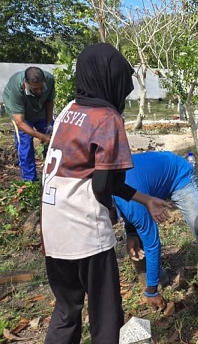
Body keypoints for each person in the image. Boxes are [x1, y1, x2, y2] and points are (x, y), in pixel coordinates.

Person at [41, 43, 170, 344]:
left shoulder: (68, 111)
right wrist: (110, 212)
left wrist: (145, 199)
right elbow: (102, 187)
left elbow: (98, 179)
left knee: (66, 309)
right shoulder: (106, 118)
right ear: (108, 78)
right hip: (85, 231)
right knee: (105, 314)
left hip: (54, 228)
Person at [113, 151, 198, 299]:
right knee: (136, 243)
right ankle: (159, 280)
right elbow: (128, 208)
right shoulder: (109, 189)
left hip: (179, 177)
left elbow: (153, 244)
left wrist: (151, 292)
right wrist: (131, 233)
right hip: (152, 183)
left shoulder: (130, 203)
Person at [3, 67, 55, 181]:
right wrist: (42, 136)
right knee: (25, 143)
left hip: (39, 111)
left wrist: (49, 123)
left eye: (41, 88)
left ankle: (52, 175)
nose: (39, 91)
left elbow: (49, 101)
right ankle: (29, 181)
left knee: (54, 138)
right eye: (35, 89)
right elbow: (20, 122)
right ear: (26, 83)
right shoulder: (16, 88)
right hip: (20, 114)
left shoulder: (49, 79)